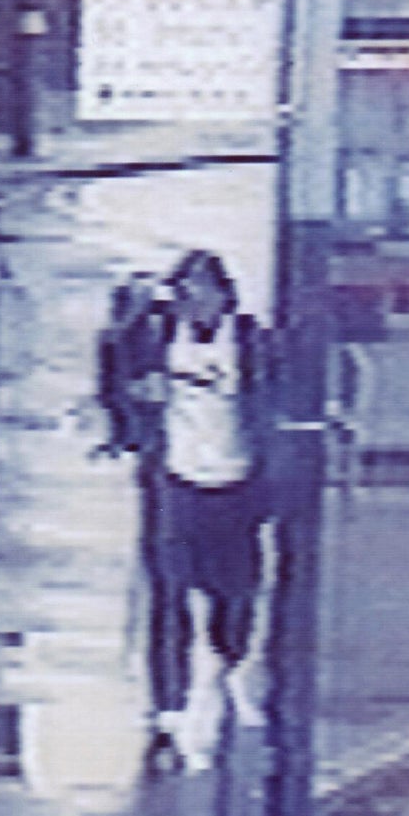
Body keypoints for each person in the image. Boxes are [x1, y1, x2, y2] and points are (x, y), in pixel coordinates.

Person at [104, 250, 277, 772]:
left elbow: (278, 398)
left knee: (234, 592)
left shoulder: (252, 341)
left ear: (225, 296)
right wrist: (130, 414)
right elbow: (114, 367)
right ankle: (168, 709)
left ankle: (229, 662)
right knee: (169, 592)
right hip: (174, 480)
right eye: (182, 294)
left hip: (237, 481)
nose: (191, 304)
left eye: (201, 292)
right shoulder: (152, 338)